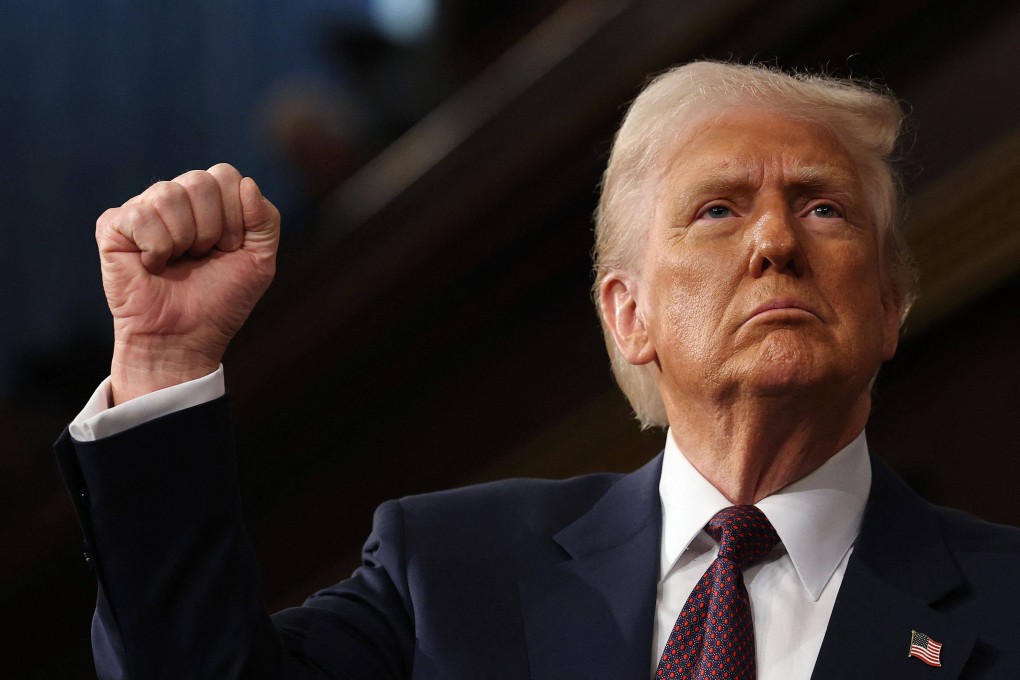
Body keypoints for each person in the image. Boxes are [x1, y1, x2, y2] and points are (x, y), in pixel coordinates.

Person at [55, 61, 1020, 679]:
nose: (774, 239)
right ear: (627, 313)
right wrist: (166, 362)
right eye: (718, 210)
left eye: (824, 209)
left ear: (890, 307)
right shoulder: (447, 573)